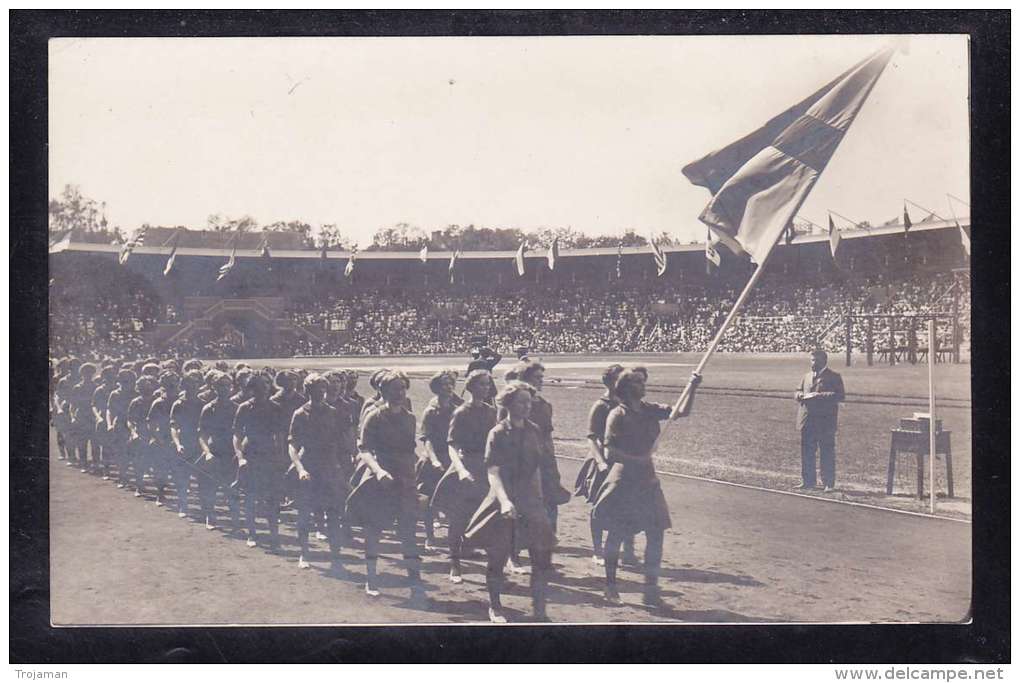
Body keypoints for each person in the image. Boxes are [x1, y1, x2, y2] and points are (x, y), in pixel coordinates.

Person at [592, 368, 701, 607]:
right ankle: (610, 586)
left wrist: (692, 387)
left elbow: (681, 412)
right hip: (624, 481)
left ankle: (650, 590)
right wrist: (637, 459)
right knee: (617, 534)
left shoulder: (650, 410)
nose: (644, 385)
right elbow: (611, 451)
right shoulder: (617, 415)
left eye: (643, 381)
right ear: (627, 387)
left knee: (656, 533)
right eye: (639, 382)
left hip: (648, 482)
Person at [464, 381, 556, 623]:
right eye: (521, 402)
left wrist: (540, 499)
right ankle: (495, 606)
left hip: (530, 499)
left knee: (541, 554)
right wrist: (504, 501)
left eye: (529, 402)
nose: (526, 406)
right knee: (498, 555)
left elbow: (538, 466)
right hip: (502, 497)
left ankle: (539, 608)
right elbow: (492, 471)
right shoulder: (497, 433)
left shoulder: (534, 430)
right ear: (508, 404)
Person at [347, 371, 426, 602]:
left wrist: (417, 465)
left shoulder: (410, 418)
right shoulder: (374, 416)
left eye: (402, 388)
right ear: (382, 391)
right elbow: (364, 449)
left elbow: (409, 449)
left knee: (409, 532)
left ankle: (415, 581)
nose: (399, 393)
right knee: (375, 529)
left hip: (404, 478)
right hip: (379, 478)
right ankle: (372, 578)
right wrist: (379, 471)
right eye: (394, 389)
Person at [431, 369, 496, 584]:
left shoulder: (490, 412)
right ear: (470, 387)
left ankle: (482, 561)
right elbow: (452, 446)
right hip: (464, 466)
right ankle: (454, 563)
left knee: (484, 516)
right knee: (458, 518)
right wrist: (460, 469)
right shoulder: (461, 412)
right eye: (481, 385)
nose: (486, 389)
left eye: (488, 385)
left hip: (485, 467)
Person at [575, 363, 635, 567]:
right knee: (599, 507)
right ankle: (597, 550)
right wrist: (600, 463)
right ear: (611, 382)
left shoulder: (629, 404)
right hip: (603, 461)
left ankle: (628, 551)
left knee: (628, 505)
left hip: (623, 461)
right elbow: (591, 438)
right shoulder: (601, 405)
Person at [288, 374, 345, 571]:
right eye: (316, 389)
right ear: (308, 391)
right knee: (304, 513)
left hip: (329, 467)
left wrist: (339, 464)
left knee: (334, 514)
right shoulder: (300, 414)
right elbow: (293, 446)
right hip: (309, 466)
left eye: (323, 389)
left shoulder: (333, 412)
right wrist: (300, 468)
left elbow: (338, 441)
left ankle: (336, 557)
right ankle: (304, 553)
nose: (321, 393)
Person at [516, 360, 571, 535]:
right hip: (522, 460)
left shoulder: (545, 405)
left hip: (544, 460)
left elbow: (547, 436)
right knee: (522, 501)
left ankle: (549, 537)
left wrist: (551, 461)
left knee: (550, 498)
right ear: (524, 379)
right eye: (537, 377)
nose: (541, 381)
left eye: (542, 377)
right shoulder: (512, 405)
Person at [233, 373, 283, 549]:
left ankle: (274, 534)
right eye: (258, 387)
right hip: (251, 453)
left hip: (270, 455)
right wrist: (240, 458)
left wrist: (279, 457)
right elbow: (237, 435)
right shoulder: (244, 408)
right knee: (250, 497)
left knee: (272, 498)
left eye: (265, 387)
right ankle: (251, 533)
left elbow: (279, 434)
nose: (263, 391)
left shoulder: (276, 407)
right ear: (251, 389)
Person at [416, 370, 459, 551]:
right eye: (444, 384)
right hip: (434, 459)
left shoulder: (457, 409)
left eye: (451, 384)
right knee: (429, 500)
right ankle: (429, 537)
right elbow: (427, 439)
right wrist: (434, 460)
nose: (449, 387)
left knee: (455, 499)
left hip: (452, 458)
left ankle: (456, 539)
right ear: (436, 388)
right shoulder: (431, 411)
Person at [794, 349, 846, 492]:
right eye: (811, 360)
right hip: (807, 420)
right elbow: (797, 390)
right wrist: (799, 395)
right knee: (807, 452)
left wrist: (819, 395)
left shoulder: (834, 377)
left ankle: (828, 483)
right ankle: (808, 481)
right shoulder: (806, 376)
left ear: (824, 361)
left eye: (815, 360)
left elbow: (840, 396)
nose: (812, 363)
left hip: (825, 421)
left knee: (826, 452)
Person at [197, 371, 241, 531]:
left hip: (232, 453)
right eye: (220, 386)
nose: (224, 389)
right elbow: (202, 434)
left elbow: (241, 433)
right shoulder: (208, 408)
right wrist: (207, 452)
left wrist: (240, 453)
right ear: (214, 388)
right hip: (215, 452)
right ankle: (211, 517)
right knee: (211, 487)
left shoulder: (237, 408)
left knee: (233, 488)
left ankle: (236, 521)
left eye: (227, 386)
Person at [169, 371, 204, 518]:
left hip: (200, 444)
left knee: (202, 478)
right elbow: (174, 426)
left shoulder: (203, 404)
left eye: (196, 384)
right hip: (184, 443)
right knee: (183, 477)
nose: (193, 387)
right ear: (184, 386)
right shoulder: (178, 404)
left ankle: (204, 509)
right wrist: (177, 444)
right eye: (190, 384)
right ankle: (183, 505)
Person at [105, 368, 137, 490]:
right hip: (119, 425)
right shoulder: (115, 394)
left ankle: (133, 477)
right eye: (123, 381)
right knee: (120, 452)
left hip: (133, 425)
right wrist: (109, 424)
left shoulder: (136, 394)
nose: (126, 383)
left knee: (131, 452)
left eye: (128, 381)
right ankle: (122, 477)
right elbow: (109, 410)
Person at [125, 375, 157, 497]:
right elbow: (129, 420)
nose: (147, 389)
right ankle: (139, 486)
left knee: (156, 463)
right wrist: (133, 433)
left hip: (154, 434)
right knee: (139, 462)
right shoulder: (135, 402)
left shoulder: (156, 400)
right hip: (140, 435)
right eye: (143, 386)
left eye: (149, 386)